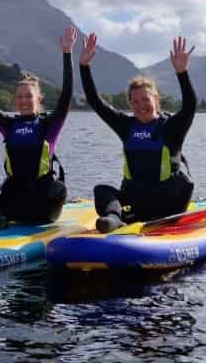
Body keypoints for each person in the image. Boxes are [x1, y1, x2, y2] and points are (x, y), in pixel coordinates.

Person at [80, 33, 197, 232]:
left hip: (166, 204)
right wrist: (84, 67)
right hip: (137, 200)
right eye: (135, 101)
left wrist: (182, 73)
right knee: (101, 190)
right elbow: (96, 102)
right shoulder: (126, 126)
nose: (140, 105)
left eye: (145, 100)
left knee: (184, 183)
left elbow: (190, 106)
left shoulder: (171, 127)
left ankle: (156, 221)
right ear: (130, 104)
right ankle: (113, 219)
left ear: (156, 99)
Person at [0, 27, 75, 229]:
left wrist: (67, 54)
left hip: (42, 204)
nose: (24, 100)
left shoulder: (49, 124)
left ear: (38, 99)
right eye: (20, 96)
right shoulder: (8, 125)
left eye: (28, 96)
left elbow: (66, 94)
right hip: (15, 199)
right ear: (15, 100)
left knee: (59, 188)